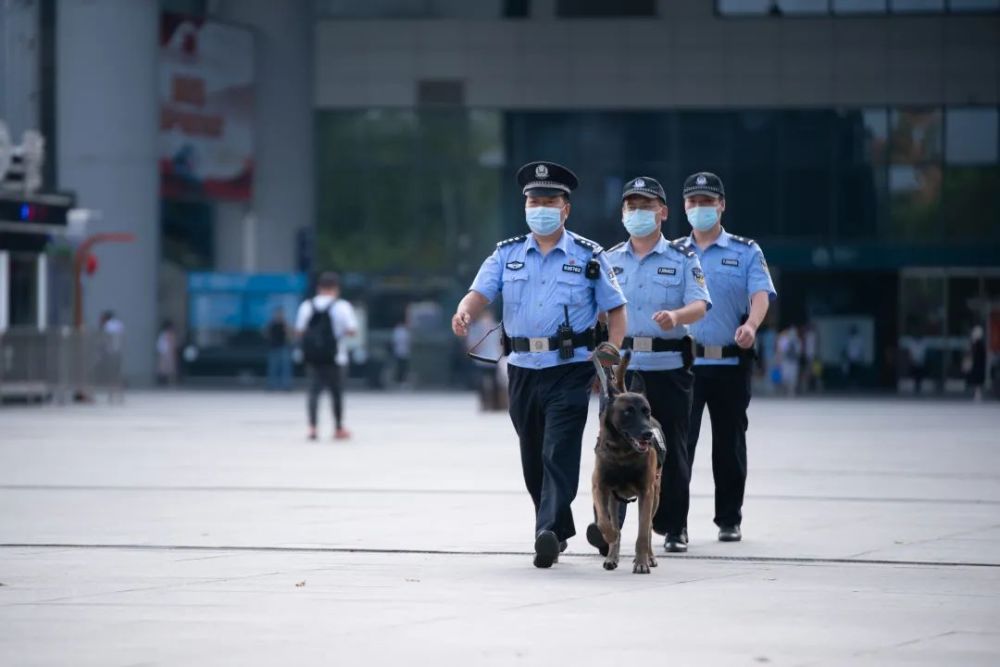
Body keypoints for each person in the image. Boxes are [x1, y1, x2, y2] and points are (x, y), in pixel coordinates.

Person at [451, 161, 627, 569]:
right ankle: (559, 528)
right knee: (532, 456)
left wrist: (611, 357)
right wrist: (463, 312)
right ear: (525, 206)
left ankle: (545, 530)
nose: (540, 208)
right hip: (522, 369)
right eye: (534, 201)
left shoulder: (589, 256)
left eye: (549, 201)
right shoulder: (506, 253)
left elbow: (617, 311)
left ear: (566, 209)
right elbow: (478, 293)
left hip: (571, 368)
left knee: (557, 450)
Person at [584, 176, 710, 556]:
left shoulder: (683, 258)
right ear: (622, 213)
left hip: (668, 364)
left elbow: (701, 303)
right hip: (624, 368)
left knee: (669, 445)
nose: (639, 214)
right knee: (610, 444)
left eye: (646, 206)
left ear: (663, 212)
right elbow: (595, 312)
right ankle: (609, 529)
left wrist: (677, 314)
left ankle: (673, 525)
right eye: (632, 207)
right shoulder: (608, 260)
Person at [681, 171, 776, 543]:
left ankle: (729, 518)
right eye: (693, 202)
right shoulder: (674, 251)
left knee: (729, 445)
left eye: (707, 202)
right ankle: (676, 523)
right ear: (684, 207)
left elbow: (761, 294)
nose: (700, 208)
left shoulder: (745, 250)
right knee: (679, 445)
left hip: (730, 363)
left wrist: (752, 325)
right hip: (684, 365)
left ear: (721, 205)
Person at [295, 272, 358, 441]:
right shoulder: (342, 306)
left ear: (319, 288)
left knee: (314, 391)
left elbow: (299, 331)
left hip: (313, 357)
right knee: (336, 393)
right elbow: (352, 330)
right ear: (336, 288)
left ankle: (313, 428)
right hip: (336, 356)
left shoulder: (307, 306)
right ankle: (338, 428)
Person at [265, 307, 292, 391]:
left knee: (285, 368)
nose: (279, 315)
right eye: (278, 313)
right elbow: (266, 334)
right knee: (273, 368)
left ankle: (286, 386)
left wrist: (287, 330)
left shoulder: (285, 324)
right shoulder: (271, 324)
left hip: (283, 347)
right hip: (274, 348)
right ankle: (272, 385)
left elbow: (290, 336)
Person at [775, 324, 801, 397]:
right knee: (786, 376)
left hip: (793, 361)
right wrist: (779, 359)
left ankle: (791, 391)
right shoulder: (785, 339)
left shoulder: (796, 340)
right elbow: (781, 350)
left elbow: (798, 351)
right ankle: (787, 390)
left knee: (793, 376)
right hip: (786, 360)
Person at [966, 325, 987, 402]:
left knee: (977, 381)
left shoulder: (979, 344)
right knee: (976, 381)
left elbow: (979, 356)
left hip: (978, 366)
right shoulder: (974, 344)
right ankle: (976, 393)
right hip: (976, 365)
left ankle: (977, 394)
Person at [155, 320, 178, 387]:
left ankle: (165, 381)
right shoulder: (167, 334)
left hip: (164, 352)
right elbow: (172, 344)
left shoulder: (163, 334)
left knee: (165, 368)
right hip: (166, 353)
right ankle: (165, 381)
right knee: (166, 368)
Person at [391, 318, 411, 386]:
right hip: (400, 352)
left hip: (403, 352)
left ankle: (402, 380)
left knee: (403, 367)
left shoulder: (403, 331)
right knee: (400, 367)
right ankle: (399, 381)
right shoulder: (399, 331)